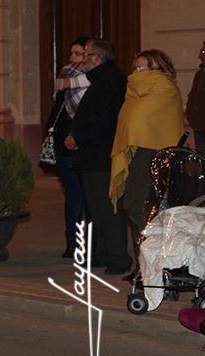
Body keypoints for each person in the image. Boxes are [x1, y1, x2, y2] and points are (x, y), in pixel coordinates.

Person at [109, 49, 184, 278]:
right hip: (138, 153)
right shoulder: (134, 94)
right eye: (136, 68)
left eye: (144, 69)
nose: (137, 74)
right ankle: (144, 264)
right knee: (136, 208)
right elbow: (130, 122)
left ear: (158, 69)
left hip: (155, 153)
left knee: (141, 208)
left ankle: (151, 266)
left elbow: (140, 120)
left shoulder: (165, 88)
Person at [65, 39, 130, 275]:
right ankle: (101, 253)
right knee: (95, 208)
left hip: (102, 155)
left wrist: (78, 137)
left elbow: (103, 119)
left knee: (108, 208)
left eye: (86, 55)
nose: (82, 59)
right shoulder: (102, 79)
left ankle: (117, 257)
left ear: (96, 58)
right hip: (94, 155)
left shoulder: (109, 80)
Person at [46, 38, 89, 258]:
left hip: (86, 144)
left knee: (87, 194)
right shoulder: (64, 78)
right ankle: (72, 241)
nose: (74, 58)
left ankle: (89, 241)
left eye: (80, 54)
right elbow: (56, 110)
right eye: (72, 53)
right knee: (73, 193)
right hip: (63, 142)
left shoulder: (92, 80)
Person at [185, 41, 205, 151]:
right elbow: (192, 96)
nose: (200, 56)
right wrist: (190, 114)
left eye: (203, 51)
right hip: (199, 125)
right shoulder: (200, 74)